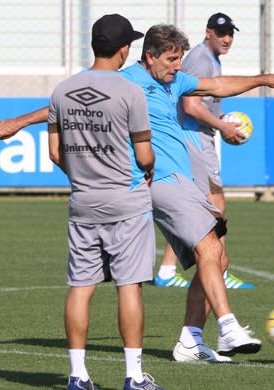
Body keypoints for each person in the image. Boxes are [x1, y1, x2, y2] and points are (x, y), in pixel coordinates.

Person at [0, 24, 274, 364]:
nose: (178, 66)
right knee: (209, 246)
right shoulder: (128, 80)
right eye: (171, 59)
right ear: (149, 57)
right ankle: (228, 326)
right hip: (159, 178)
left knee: (217, 257)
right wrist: (18, 122)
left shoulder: (174, 81)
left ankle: (191, 340)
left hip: (182, 179)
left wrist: (262, 80)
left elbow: (218, 84)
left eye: (180, 58)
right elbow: (64, 108)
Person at [47, 14, 164, 390]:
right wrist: (147, 170)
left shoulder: (62, 90)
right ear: (124, 48)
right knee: (129, 286)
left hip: (83, 201)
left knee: (81, 287)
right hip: (126, 201)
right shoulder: (131, 92)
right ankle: (133, 376)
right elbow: (144, 155)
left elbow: (54, 153)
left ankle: (78, 376)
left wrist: (83, 177)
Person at [153, 12, 255, 290]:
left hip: (198, 136)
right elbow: (190, 105)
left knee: (196, 206)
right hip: (193, 136)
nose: (227, 39)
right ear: (208, 32)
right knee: (213, 205)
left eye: (230, 33)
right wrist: (223, 126)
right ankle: (218, 270)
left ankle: (168, 270)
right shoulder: (199, 57)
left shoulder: (209, 59)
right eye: (221, 33)